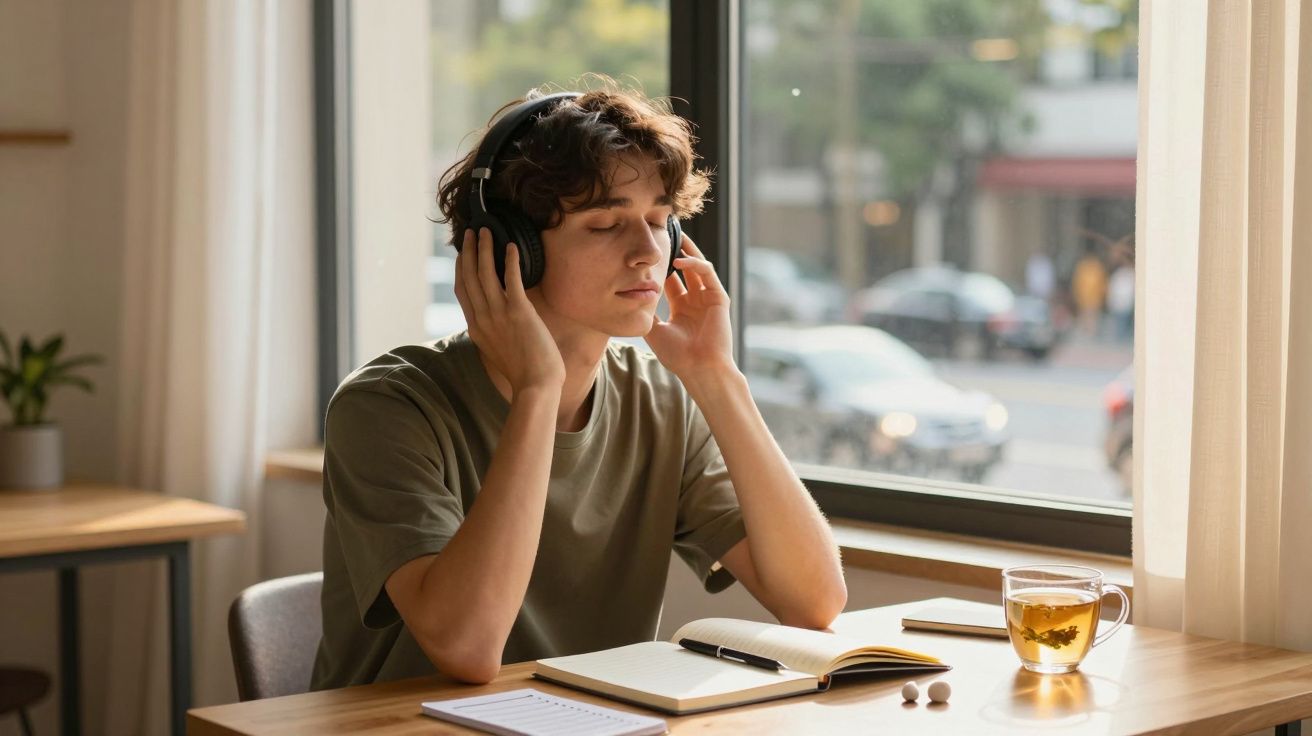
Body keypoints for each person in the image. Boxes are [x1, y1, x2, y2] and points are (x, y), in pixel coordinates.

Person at [309, 82, 847, 690]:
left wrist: (717, 379)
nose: (649, 253)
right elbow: (467, 648)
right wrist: (539, 391)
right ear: (514, 248)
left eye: (659, 220)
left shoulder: (661, 399)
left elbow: (814, 602)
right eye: (605, 224)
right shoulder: (387, 407)